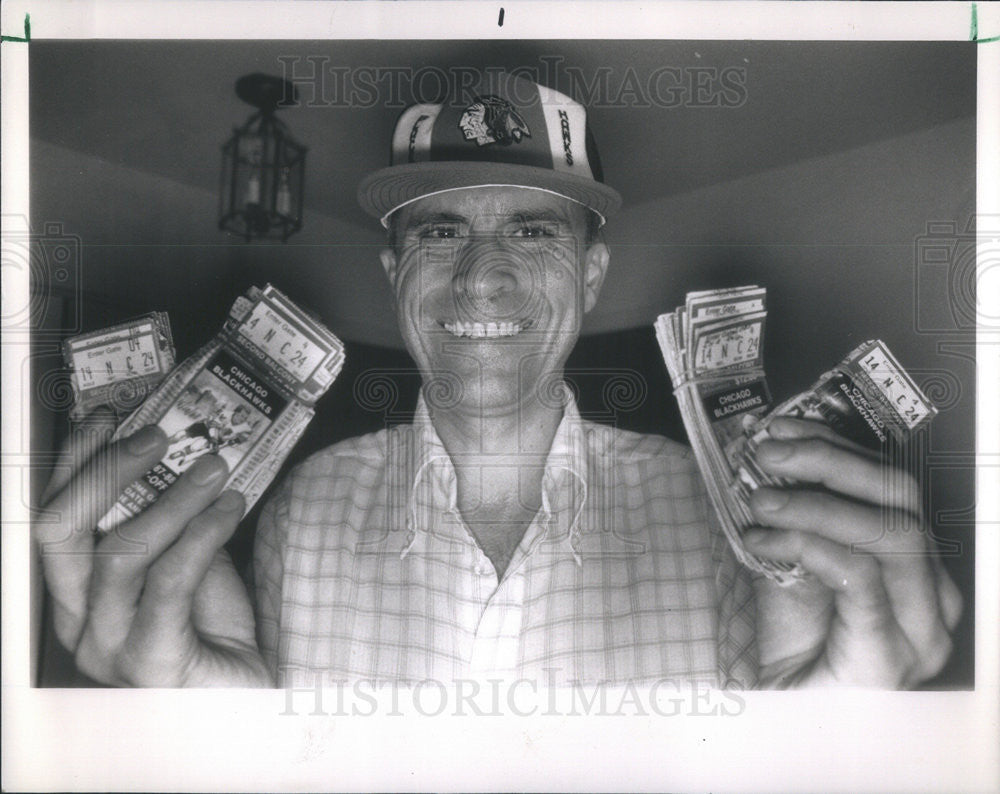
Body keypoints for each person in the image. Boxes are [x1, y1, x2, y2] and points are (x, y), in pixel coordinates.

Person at [35, 72, 961, 689]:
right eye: (440, 233)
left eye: (532, 231)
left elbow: (787, 741)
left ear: (592, 276)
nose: (483, 278)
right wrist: (177, 731)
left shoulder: (734, 516)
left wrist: (846, 746)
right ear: (395, 275)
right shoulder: (297, 505)